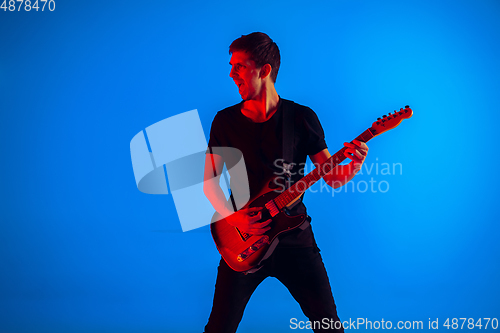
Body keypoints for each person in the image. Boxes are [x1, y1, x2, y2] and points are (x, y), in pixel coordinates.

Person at [203, 32, 368, 333]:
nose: (231, 73)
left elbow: (331, 178)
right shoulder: (224, 122)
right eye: (232, 66)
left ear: (264, 70)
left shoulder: (302, 118)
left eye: (239, 66)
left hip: (294, 238)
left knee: (330, 328)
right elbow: (209, 183)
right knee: (218, 328)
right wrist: (236, 217)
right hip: (243, 237)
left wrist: (355, 162)